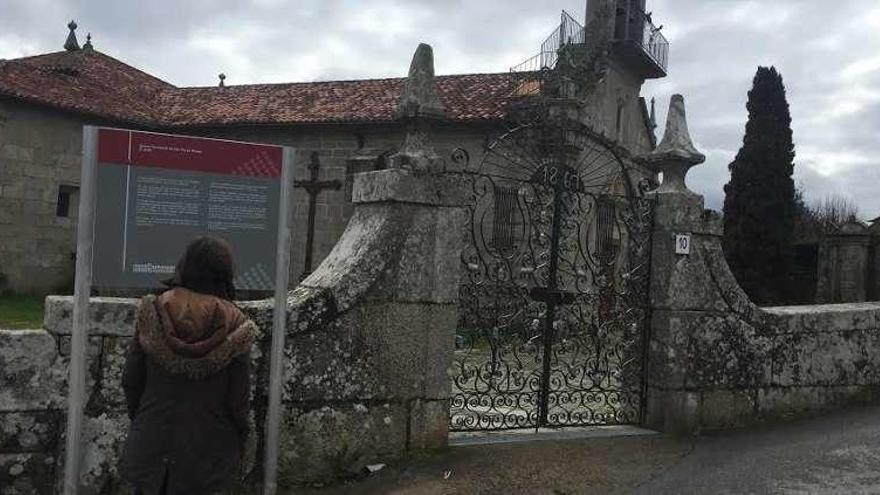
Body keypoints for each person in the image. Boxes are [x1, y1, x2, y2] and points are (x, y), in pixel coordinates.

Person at [119, 236, 257, 495]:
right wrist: (239, 439)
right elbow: (238, 400)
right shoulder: (235, 324)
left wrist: (145, 418)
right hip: (207, 452)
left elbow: (131, 379)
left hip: (152, 443)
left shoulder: (155, 310)